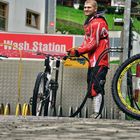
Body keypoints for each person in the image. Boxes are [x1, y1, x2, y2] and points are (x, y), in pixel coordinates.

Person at [68, 0, 109, 118]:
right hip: (93, 61)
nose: (86, 9)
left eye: (89, 7)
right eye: (85, 7)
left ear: (95, 9)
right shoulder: (89, 22)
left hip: (100, 60)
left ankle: (97, 113)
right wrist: (75, 50)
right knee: (91, 87)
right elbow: (86, 42)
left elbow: (93, 43)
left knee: (96, 86)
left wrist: (78, 51)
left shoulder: (97, 23)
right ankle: (95, 113)